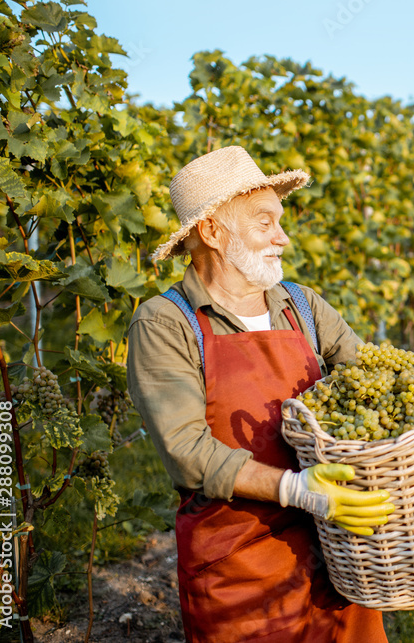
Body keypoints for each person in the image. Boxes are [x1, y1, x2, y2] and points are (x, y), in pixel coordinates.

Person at [126, 146, 395, 642]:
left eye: (280, 221)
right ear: (211, 231)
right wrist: (296, 489)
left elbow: (377, 379)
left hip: (335, 550)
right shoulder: (166, 323)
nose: (283, 237)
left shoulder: (301, 305)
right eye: (265, 222)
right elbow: (186, 451)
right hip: (237, 565)